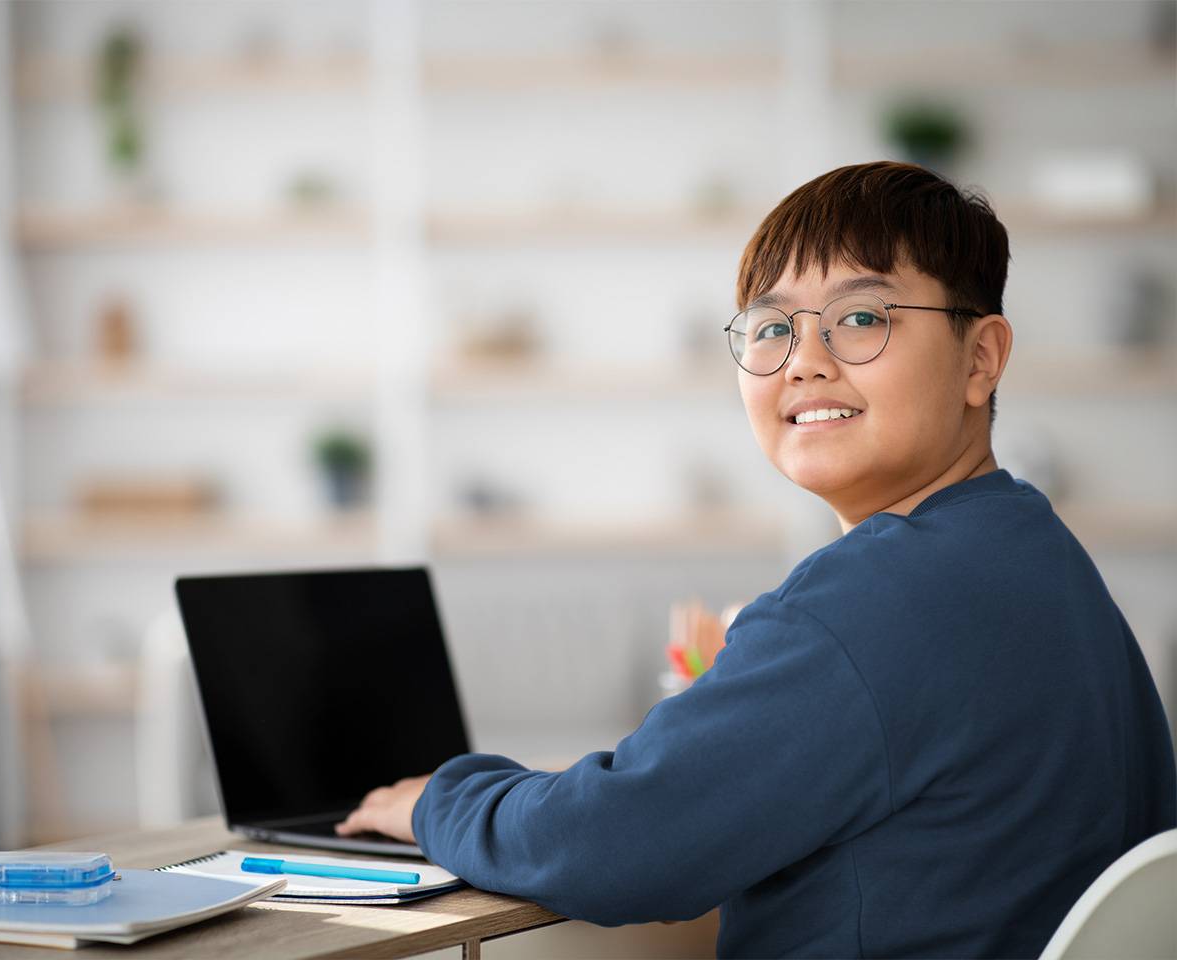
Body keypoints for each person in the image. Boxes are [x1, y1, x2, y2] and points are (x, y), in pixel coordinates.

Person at [336, 161, 1176, 959]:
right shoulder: (1037, 554)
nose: (804, 360)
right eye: (773, 328)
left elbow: (615, 848)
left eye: (860, 317)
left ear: (981, 358)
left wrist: (437, 800)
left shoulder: (873, 600)